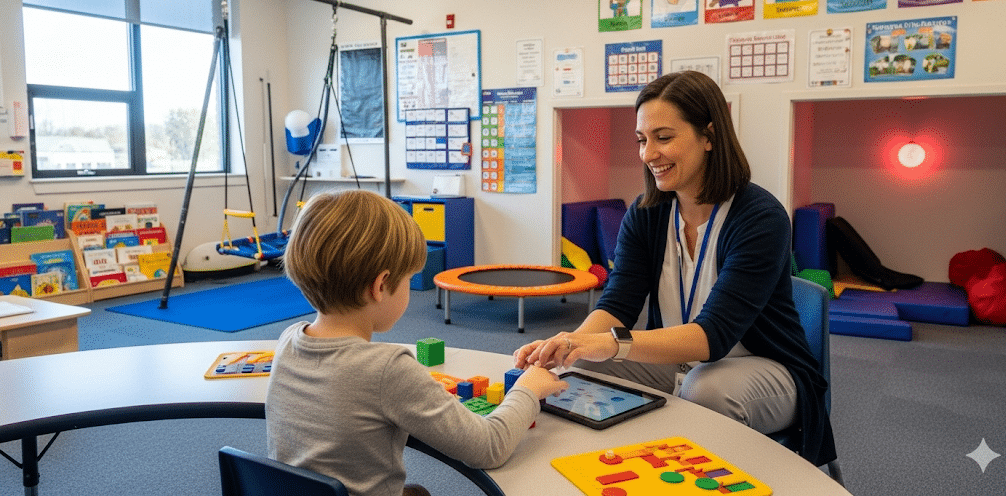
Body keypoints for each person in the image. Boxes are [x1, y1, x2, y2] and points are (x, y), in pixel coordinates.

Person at [514, 71, 837, 467]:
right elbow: (618, 303)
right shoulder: (646, 213)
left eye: (663, 138)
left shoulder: (760, 218)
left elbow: (713, 336)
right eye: (642, 140)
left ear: (709, 136)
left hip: (761, 367)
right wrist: (568, 343)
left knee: (705, 389)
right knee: (580, 363)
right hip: (678, 361)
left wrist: (613, 343)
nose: (648, 154)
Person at [266, 190, 568, 496]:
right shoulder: (388, 369)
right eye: (409, 279)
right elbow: (489, 446)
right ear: (380, 286)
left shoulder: (289, 340)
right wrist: (528, 390)